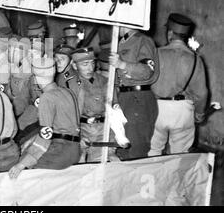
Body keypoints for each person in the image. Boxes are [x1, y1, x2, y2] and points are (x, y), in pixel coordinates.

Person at [8, 57, 81, 179]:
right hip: (74, 150)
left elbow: (45, 139)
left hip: (60, 151)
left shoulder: (46, 98)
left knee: (24, 171)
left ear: (36, 79)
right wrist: (30, 142)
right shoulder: (67, 92)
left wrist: (21, 165)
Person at [148, 13, 208, 156]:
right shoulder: (194, 59)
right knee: (180, 156)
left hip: (156, 109)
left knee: (152, 152)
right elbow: (201, 93)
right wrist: (199, 113)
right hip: (182, 111)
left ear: (170, 33)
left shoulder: (155, 54)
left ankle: (153, 178)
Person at [109, 27, 159, 160]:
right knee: (122, 145)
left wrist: (122, 64)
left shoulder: (143, 40)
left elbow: (147, 70)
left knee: (136, 147)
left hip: (138, 98)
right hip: (123, 97)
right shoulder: (120, 42)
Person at [70, 47, 119, 162]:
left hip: (101, 130)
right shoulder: (69, 85)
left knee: (99, 165)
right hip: (80, 130)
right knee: (77, 168)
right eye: (85, 64)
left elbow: (114, 109)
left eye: (92, 63)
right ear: (75, 66)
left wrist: (117, 133)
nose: (90, 68)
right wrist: (75, 137)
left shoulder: (105, 82)